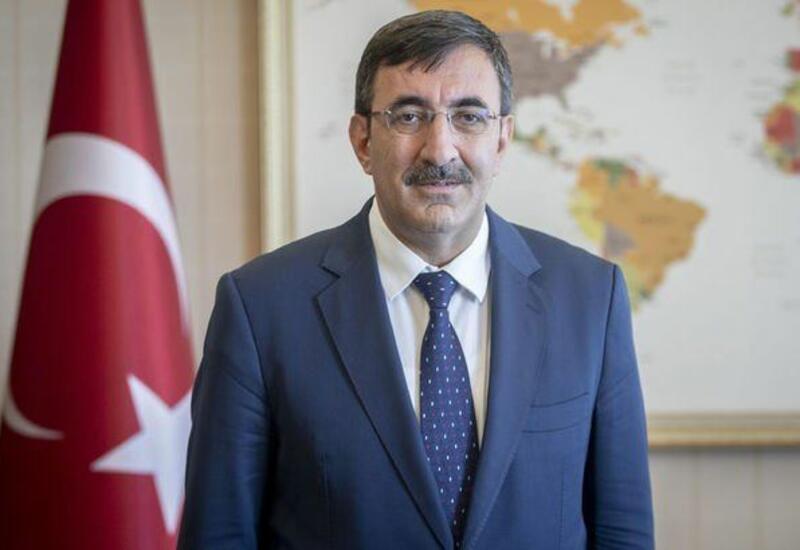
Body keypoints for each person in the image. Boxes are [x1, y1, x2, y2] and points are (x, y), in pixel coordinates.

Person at [178, 10, 654, 550]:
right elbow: (219, 535)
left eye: (468, 116)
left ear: (502, 140)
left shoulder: (591, 297)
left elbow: (623, 532)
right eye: (408, 116)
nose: (440, 150)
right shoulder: (259, 307)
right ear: (363, 141)